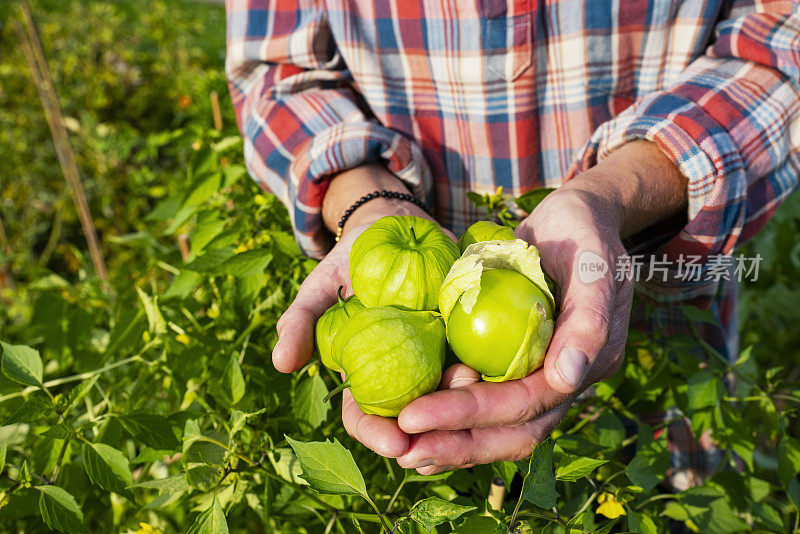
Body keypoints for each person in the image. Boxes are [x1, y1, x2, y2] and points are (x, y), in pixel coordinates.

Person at [225, 0, 799, 485]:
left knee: (661, 489)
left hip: (664, 311)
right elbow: (274, 70)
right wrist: (364, 197)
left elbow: (784, 38)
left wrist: (613, 194)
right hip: (429, 277)